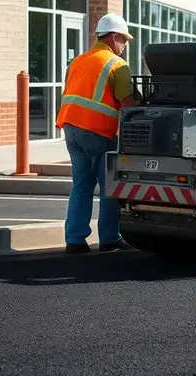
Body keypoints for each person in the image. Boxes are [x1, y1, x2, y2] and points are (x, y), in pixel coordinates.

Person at [55, 13, 138, 253]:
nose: (124, 46)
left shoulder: (78, 61)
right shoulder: (116, 65)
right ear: (113, 37)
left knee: (81, 185)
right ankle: (110, 238)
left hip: (70, 128)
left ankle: (75, 239)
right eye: (124, 40)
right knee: (109, 186)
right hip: (98, 132)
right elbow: (128, 105)